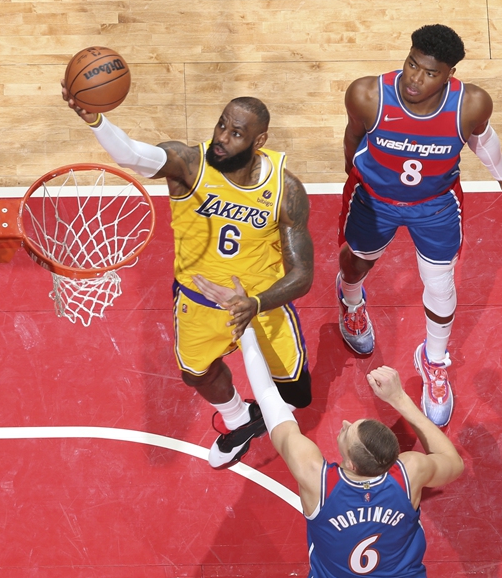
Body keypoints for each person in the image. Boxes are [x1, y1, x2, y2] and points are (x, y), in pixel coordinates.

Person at [64, 85, 315, 469]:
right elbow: (132, 154)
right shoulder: (189, 164)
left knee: (298, 396)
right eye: (221, 125)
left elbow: (303, 273)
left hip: (262, 304)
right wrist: (96, 120)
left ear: (259, 141)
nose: (222, 138)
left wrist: (255, 303)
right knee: (196, 375)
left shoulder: (286, 190)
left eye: (236, 133)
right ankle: (238, 419)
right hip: (199, 305)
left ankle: (260, 416)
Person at [190, 284, 464, 578]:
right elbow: (452, 462)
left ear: (351, 464)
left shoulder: (317, 480)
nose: (344, 423)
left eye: (347, 432)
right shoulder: (411, 473)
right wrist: (400, 399)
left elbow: (268, 399)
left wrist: (245, 326)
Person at [337, 24, 502, 427]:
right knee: (356, 262)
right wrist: (355, 175)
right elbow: (353, 137)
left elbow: (482, 139)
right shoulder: (367, 94)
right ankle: (351, 301)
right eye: (412, 64)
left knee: (441, 284)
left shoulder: (471, 103)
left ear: (449, 75)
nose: (415, 78)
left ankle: (433, 360)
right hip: (375, 199)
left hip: (435, 206)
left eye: (430, 73)